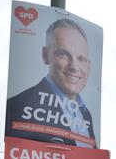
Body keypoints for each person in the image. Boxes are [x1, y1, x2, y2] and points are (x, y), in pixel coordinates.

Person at [5, 19, 97, 147]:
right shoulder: (17, 106)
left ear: (89, 65)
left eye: (81, 59)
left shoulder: (85, 114)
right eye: (63, 54)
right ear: (45, 55)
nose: (74, 67)